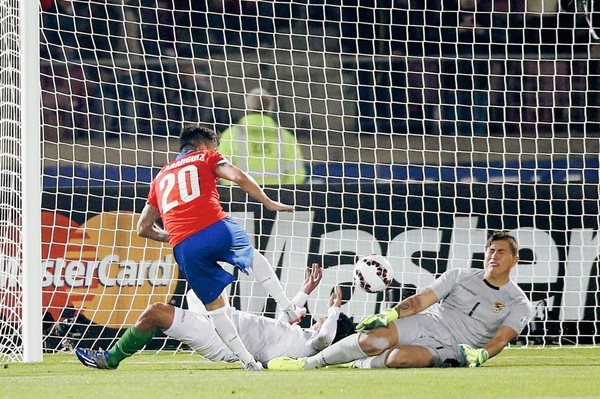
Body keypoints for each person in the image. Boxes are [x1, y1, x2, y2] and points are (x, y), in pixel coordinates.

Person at [123, 124, 303, 371]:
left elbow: (143, 228)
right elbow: (239, 177)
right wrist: (268, 202)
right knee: (253, 257)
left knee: (216, 310)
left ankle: (248, 363)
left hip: (185, 246)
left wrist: (175, 235)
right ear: (202, 146)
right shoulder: (206, 156)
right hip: (216, 227)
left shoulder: (161, 176)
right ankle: (289, 308)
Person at [268, 230, 534, 370]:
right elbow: (421, 300)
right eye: (490, 250)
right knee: (373, 340)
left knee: (398, 359)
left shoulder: (518, 302)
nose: (493, 256)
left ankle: (356, 363)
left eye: (501, 252)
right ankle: (308, 364)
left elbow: (501, 338)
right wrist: (391, 315)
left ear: (515, 259)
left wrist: (482, 354)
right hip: (427, 323)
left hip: (455, 347)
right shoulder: (460, 275)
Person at [75, 264, 356, 369]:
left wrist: (335, 310)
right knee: (206, 271)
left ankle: (109, 359)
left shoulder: (314, 348)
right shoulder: (300, 338)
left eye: (324, 320)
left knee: (155, 313)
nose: (319, 319)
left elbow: (325, 338)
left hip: (223, 340)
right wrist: (305, 290)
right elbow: (287, 321)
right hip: (224, 317)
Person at [218, 88, 306, 186]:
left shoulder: (231, 134)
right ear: (270, 109)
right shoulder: (286, 137)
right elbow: (297, 174)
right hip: (276, 197)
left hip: (242, 196)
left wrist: (235, 191)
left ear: (248, 107)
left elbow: (222, 169)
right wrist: (283, 194)